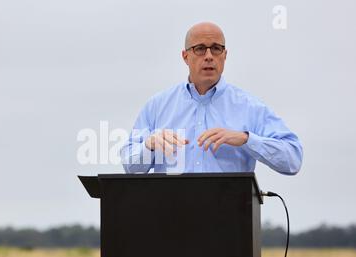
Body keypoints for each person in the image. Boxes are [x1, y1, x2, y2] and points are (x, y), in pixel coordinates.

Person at [120, 22, 303, 174]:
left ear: (225, 55)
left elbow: (293, 159)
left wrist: (247, 139)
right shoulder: (157, 107)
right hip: (171, 213)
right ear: (185, 56)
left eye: (216, 49)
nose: (209, 56)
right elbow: (130, 165)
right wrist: (149, 145)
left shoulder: (250, 107)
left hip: (231, 215)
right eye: (200, 49)